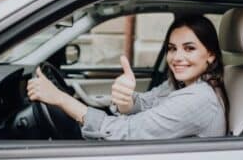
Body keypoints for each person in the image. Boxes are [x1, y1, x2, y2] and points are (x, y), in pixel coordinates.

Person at [27, 15, 229, 140]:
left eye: (189, 49)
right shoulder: (180, 85)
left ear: (210, 54)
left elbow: (124, 132)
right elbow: (145, 102)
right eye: (172, 49)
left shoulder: (198, 99)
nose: (177, 58)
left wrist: (60, 99)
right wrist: (127, 100)